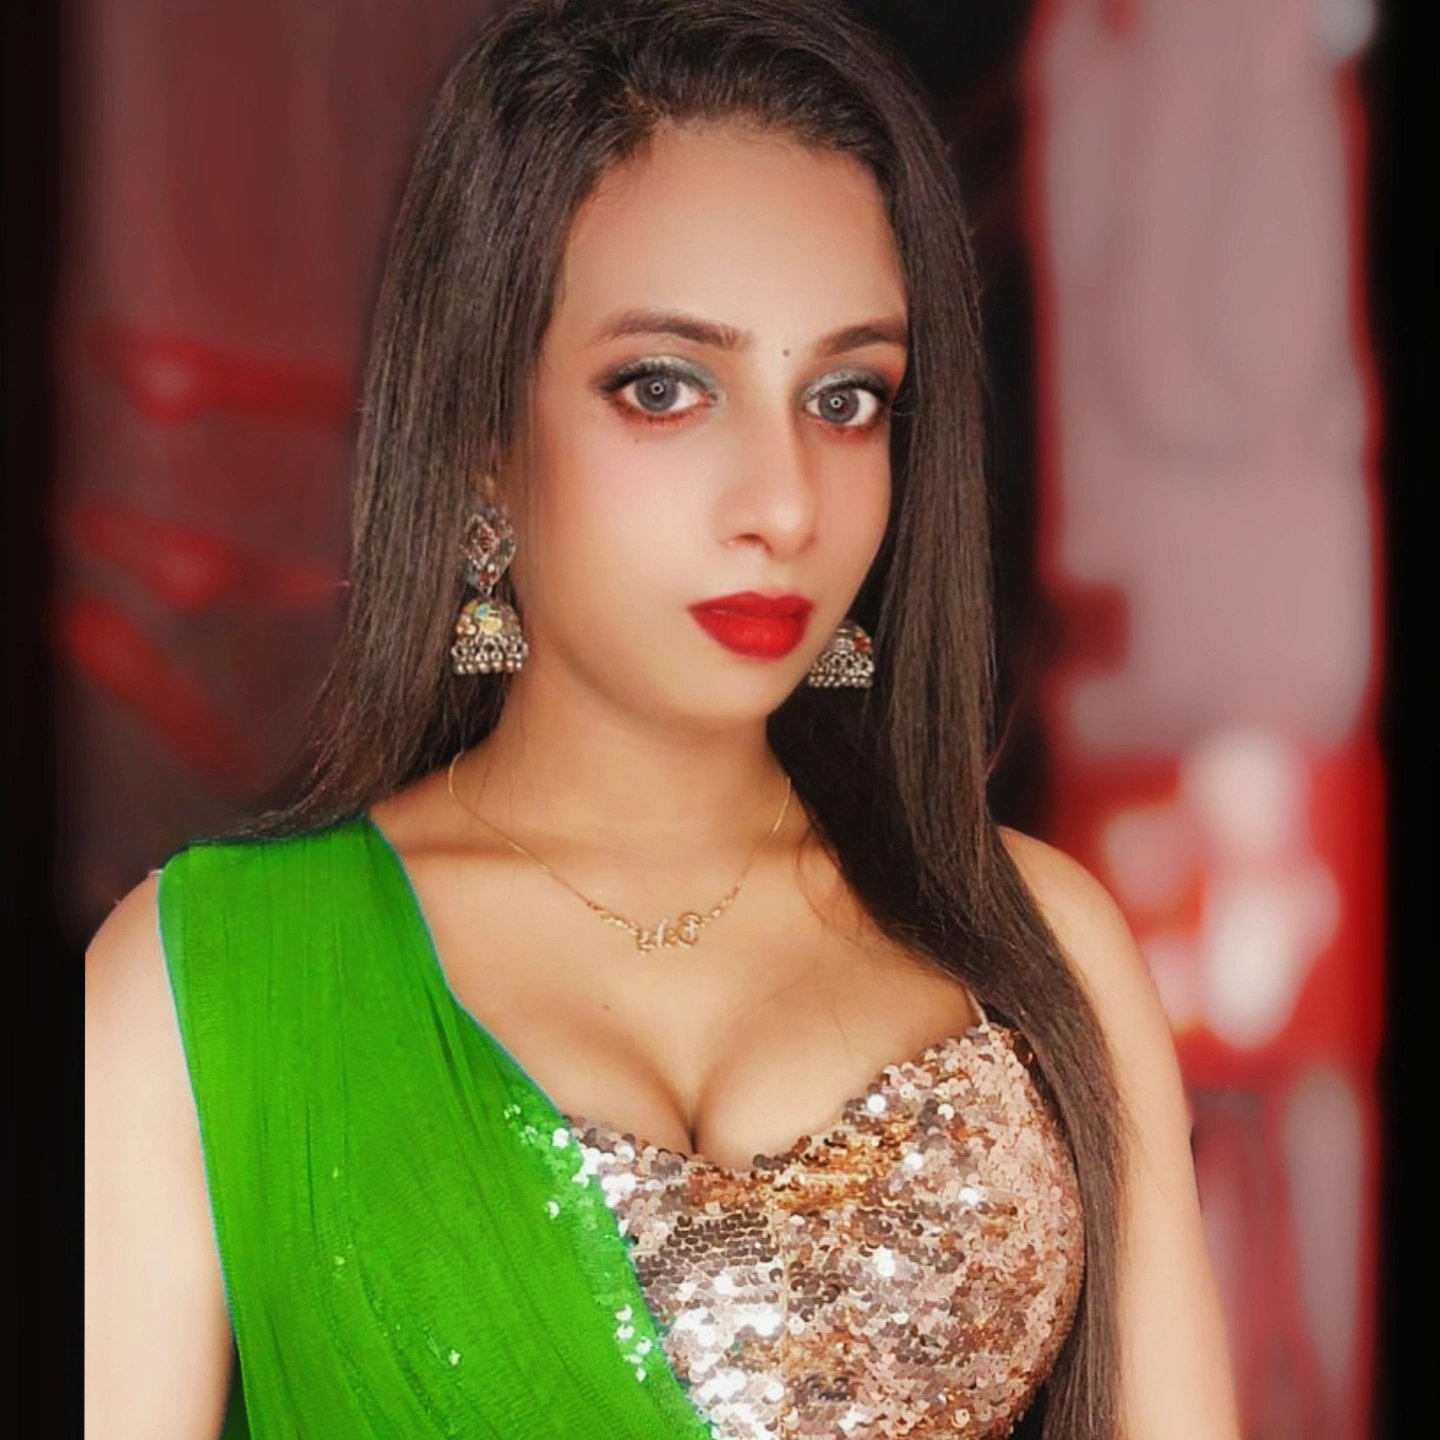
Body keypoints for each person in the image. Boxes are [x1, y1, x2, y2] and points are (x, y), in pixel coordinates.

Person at [84, 1, 1243, 1436]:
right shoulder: (202, 985)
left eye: (845, 398)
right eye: (665, 388)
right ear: (483, 440)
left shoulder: (1040, 945)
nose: (784, 505)